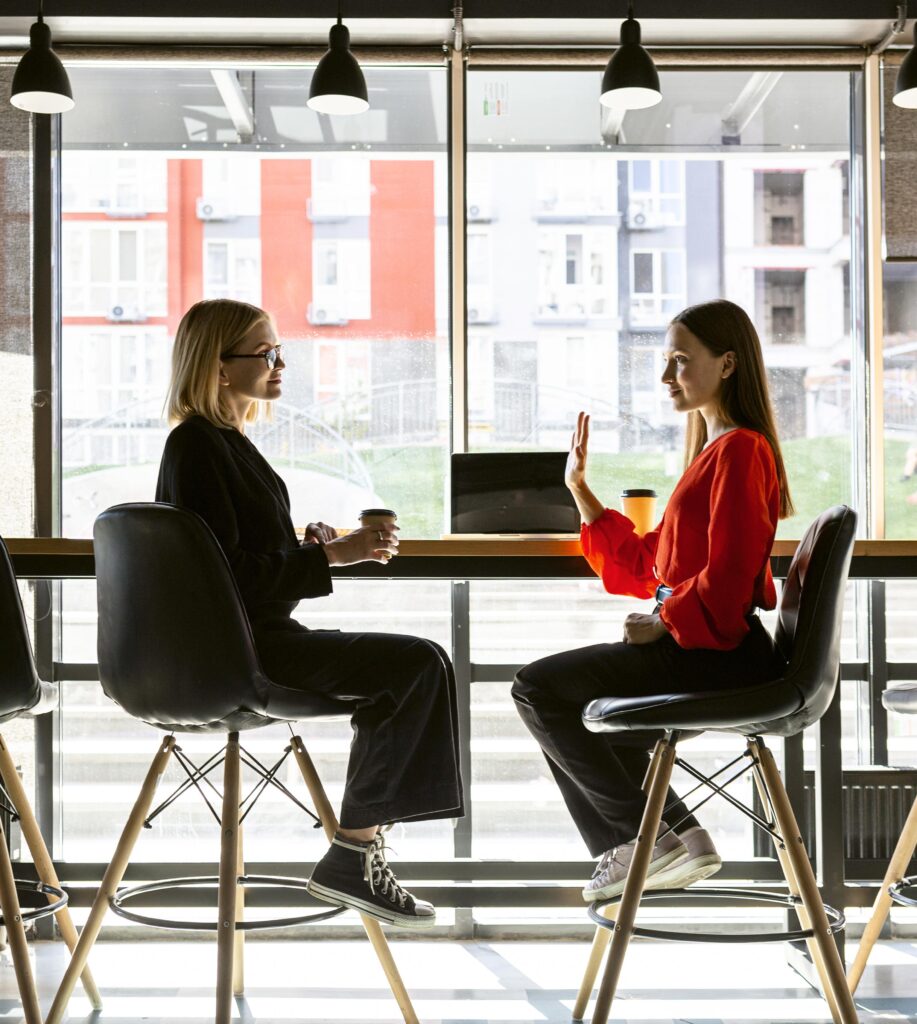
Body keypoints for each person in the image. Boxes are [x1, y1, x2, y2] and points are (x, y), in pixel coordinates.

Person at [156, 298, 463, 929]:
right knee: (415, 666)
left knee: (416, 666)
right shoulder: (199, 447)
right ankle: (356, 852)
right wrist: (339, 556)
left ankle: (358, 850)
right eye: (265, 353)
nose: (280, 363)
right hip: (244, 651)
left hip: (247, 640)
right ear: (218, 367)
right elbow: (229, 579)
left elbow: (234, 558)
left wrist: (303, 548)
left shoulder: (224, 445)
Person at [512, 299, 792, 902]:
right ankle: (681, 838)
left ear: (727, 364)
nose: (667, 377)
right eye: (666, 362)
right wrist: (579, 489)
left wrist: (666, 619)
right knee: (604, 729)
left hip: (719, 653)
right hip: (713, 645)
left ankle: (638, 842)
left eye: (680, 361)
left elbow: (731, 574)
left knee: (536, 688)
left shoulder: (741, 451)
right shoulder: (714, 453)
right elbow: (647, 565)